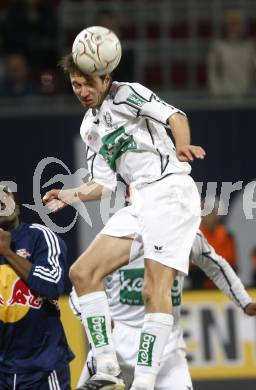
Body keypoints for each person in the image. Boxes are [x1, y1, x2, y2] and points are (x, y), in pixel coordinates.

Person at [43, 47, 205, 390]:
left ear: (105, 78)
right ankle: (107, 365)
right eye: (75, 85)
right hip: (140, 201)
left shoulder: (127, 94)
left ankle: (144, 381)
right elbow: (102, 183)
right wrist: (69, 195)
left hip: (170, 191)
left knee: (153, 289)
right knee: (82, 273)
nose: (82, 91)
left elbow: (176, 117)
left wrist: (182, 146)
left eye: (87, 83)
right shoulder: (91, 126)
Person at [69, 230, 256, 390]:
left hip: (166, 351)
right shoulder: (119, 234)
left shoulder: (186, 233)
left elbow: (216, 265)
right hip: (117, 348)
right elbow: (79, 285)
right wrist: (93, 315)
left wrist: (245, 301)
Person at [0, 185, 74, 389]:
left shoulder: (40, 237)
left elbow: (52, 285)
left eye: (5, 196)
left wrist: (7, 253)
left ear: (17, 207)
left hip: (42, 368)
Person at [207, 8, 256, 97]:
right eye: (231, 23)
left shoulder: (250, 47)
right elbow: (212, 73)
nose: (234, 27)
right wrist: (217, 92)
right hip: (224, 94)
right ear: (225, 25)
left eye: (237, 23)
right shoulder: (218, 46)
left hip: (247, 94)